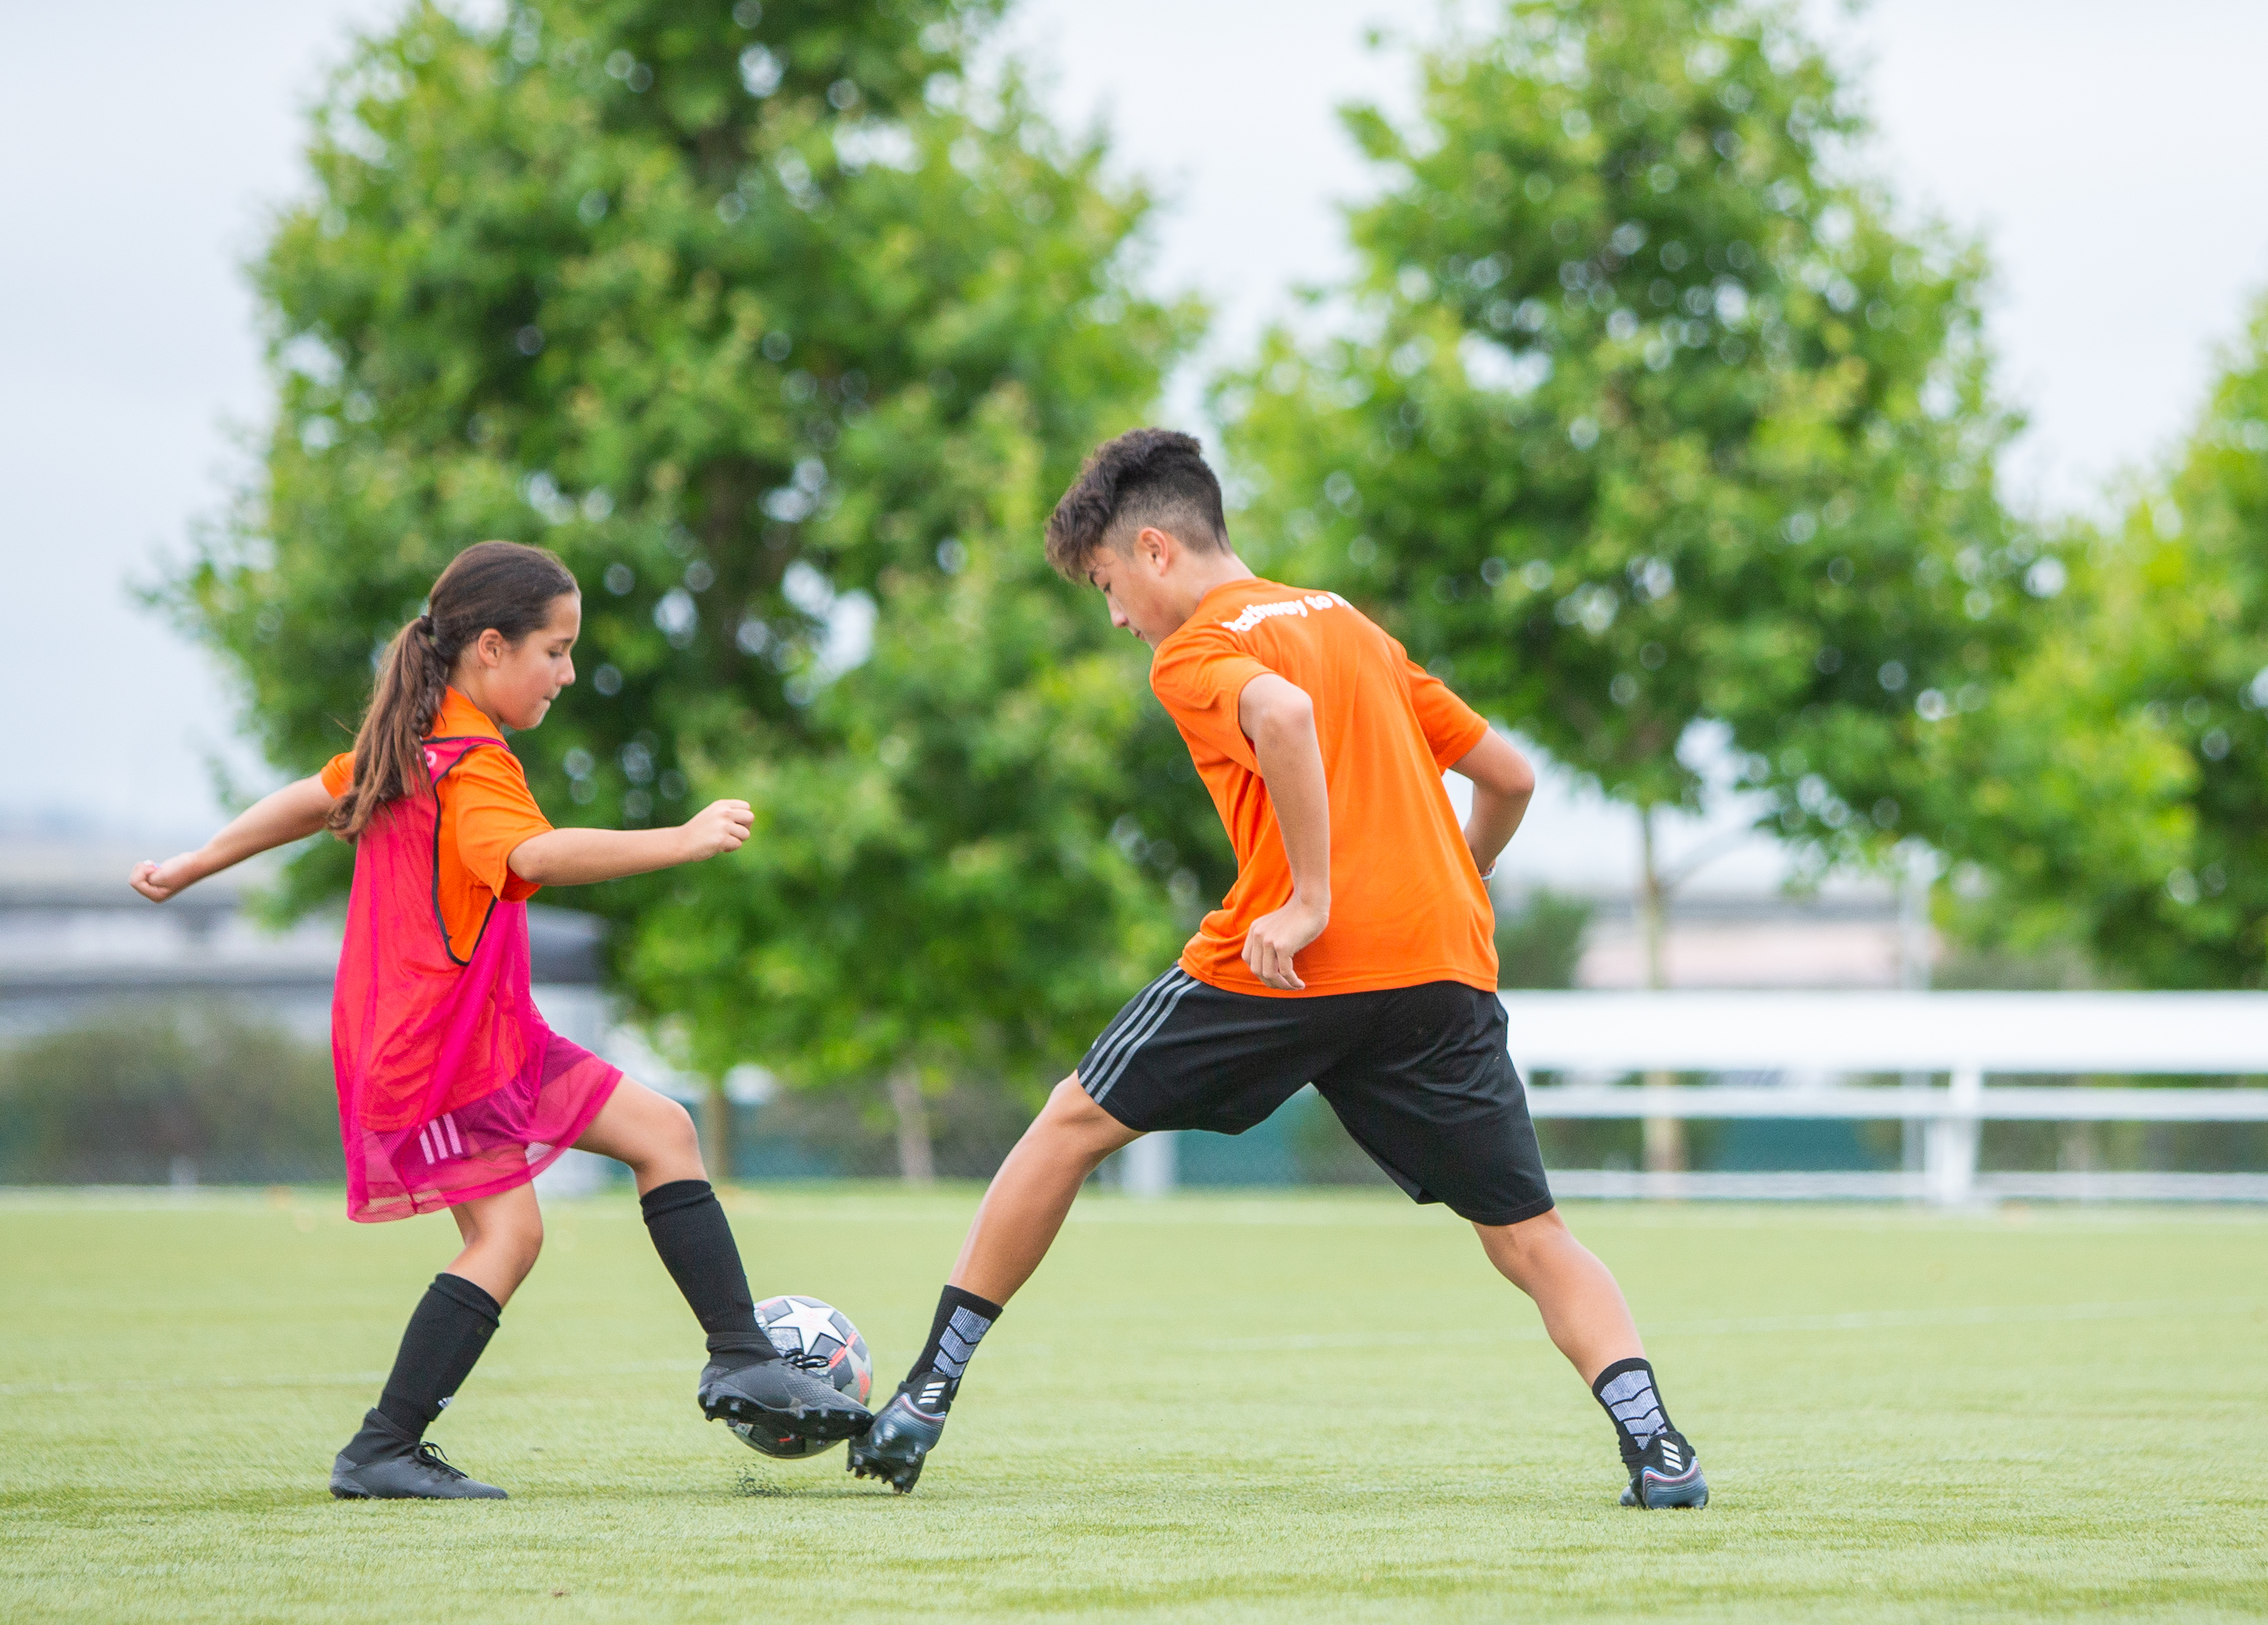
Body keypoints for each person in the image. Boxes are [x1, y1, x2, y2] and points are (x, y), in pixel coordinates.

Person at [847, 431, 1707, 1510]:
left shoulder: (1195, 650)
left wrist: (1309, 898)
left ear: (1155, 551)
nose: (1116, 616)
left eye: (1109, 586)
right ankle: (1658, 1447)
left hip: (1292, 965)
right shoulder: (1349, 621)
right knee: (1531, 1236)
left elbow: (1283, 715)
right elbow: (1512, 777)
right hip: (1441, 964)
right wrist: (1459, 880)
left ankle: (925, 1395)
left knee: (1068, 1126)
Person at [131, 540, 867, 1499]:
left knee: (664, 1131)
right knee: (509, 1239)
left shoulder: (416, 737)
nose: (566, 673)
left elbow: (316, 798)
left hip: (487, 1036)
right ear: (489, 648)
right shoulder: (468, 762)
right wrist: (680, 840)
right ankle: (381, 1450)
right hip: (435, 1053)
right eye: (554, 651)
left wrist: (198, 861)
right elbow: (533, 858)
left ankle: (739, 1354)